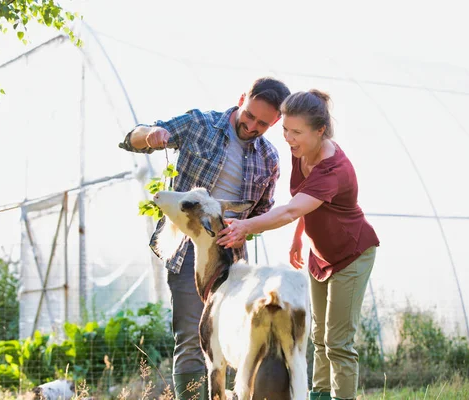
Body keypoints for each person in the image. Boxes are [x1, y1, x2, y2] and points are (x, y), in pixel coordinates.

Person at [118, 77, 291, 400]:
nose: (252, 126)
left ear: (276, 121)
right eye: (249, 115)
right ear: (242, 99)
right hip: (188, 253)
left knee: (239, 337)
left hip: (235, 262)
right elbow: (132, 137)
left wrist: (246, 226)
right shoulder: (201, 124)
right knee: (191, 337)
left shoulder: (269, 158)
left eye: (263, 123)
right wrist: (152, 136)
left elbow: (263, 213)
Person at [217, 89, 380, 400]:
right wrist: (298, 238)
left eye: (296, 132)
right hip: (321, 256)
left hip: (352, 255)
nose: (289, 139)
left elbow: (292, 209)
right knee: (317, 335)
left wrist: (246, 226)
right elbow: (305, 202)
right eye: (285, 130)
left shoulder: (335, 170)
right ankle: (319, 394)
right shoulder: (302, 150)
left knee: (338, 342)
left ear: (320, 130)